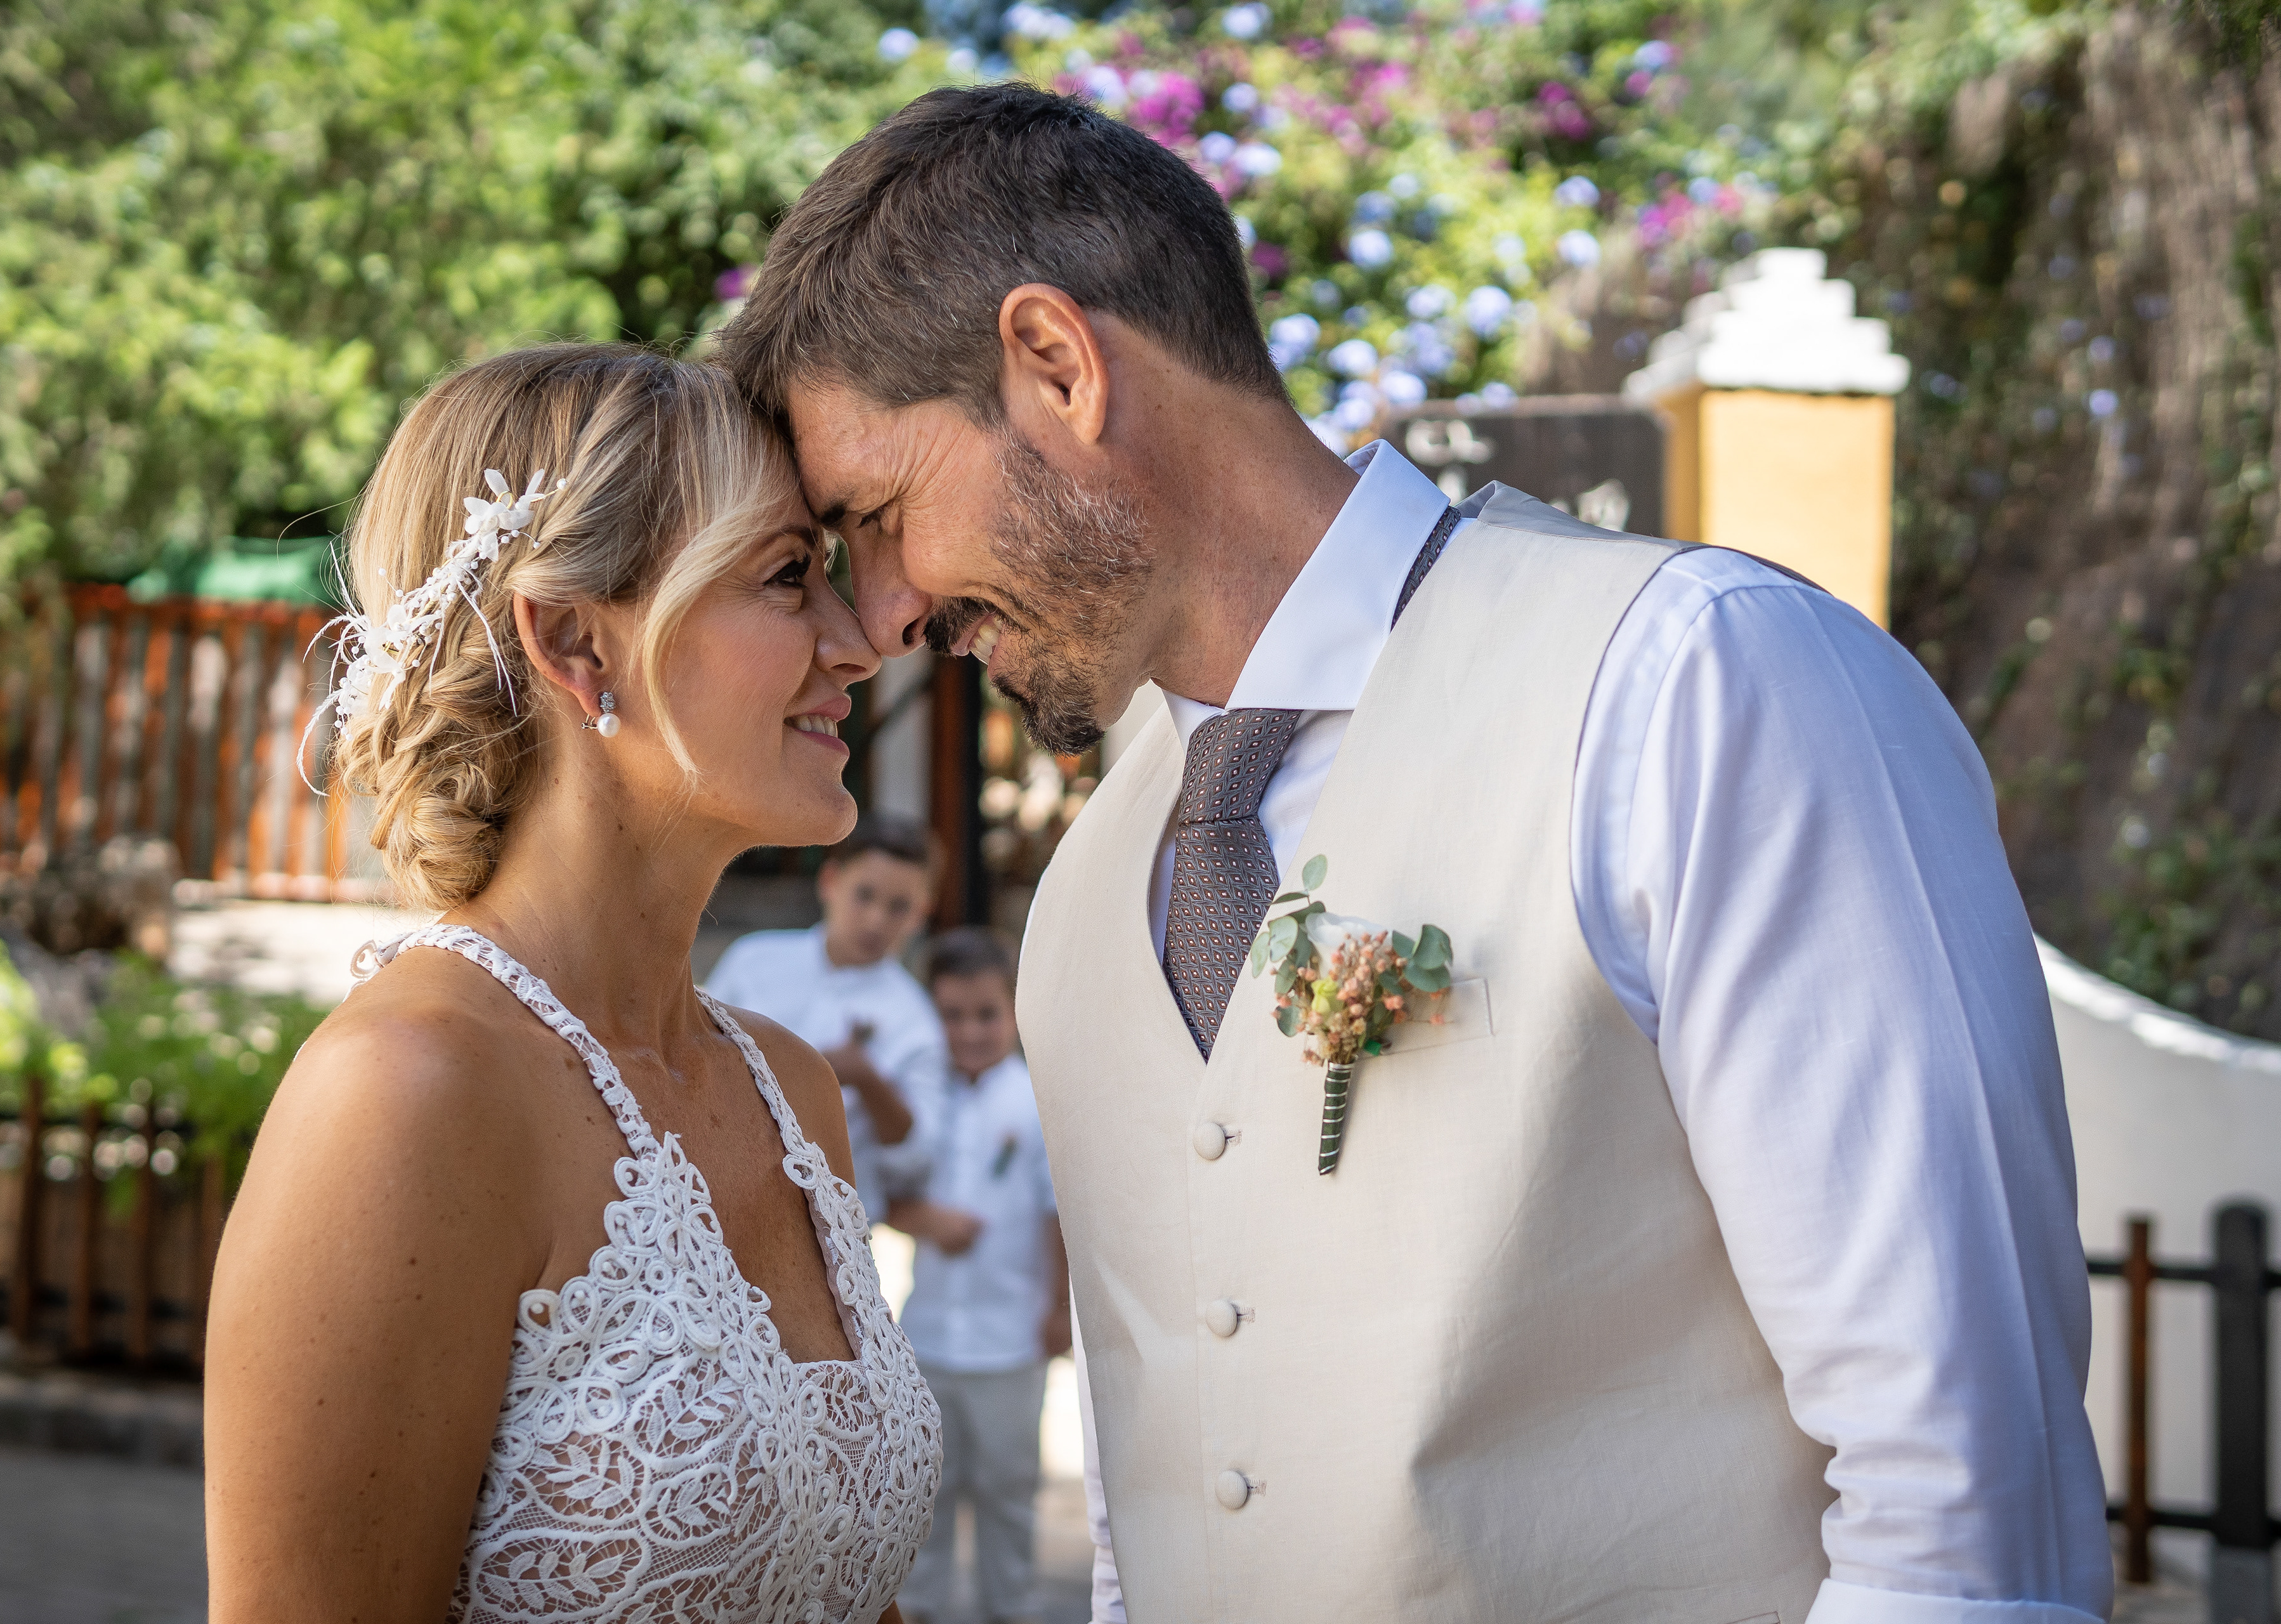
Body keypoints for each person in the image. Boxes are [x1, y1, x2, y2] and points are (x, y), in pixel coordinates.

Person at [721, 84, 2113, 1624]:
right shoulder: (1081, 900)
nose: (882, 615)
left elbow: (1959, 1520)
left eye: (877, 513)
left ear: (1057, 363)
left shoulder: (1695, 688)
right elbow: (1152, 1509)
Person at [203, 345, 938, 1624]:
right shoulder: (408, 1091)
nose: (859, 642)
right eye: (786, 575)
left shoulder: (790, 1091)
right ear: (576, 641)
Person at [886, 929, 1071, 1624]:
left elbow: (1058, 1214)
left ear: (1014, 1011)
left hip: (1010, 1339)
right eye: (952, 1015)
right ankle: (920, 1609)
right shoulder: (920, 1101)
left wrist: (1059, 1308)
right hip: (928, 1337)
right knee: (922, 1496)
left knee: (1007, 1490)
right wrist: (923, 1219)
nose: (969, 1032)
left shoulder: (1034, 1100)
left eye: (986, 1014)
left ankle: (1008, 1607)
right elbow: (881, 1190)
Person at [704, 815, 948, 1225]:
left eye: (898, 907)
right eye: (865, 895)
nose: (876, 920)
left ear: (921, 914)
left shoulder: (917, 1022)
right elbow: (692, 1053)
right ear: (831, 882)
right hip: (719, 1192)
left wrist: (868, 1081)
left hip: (831, 1229)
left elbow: (917, 1161)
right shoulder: (752, 961)